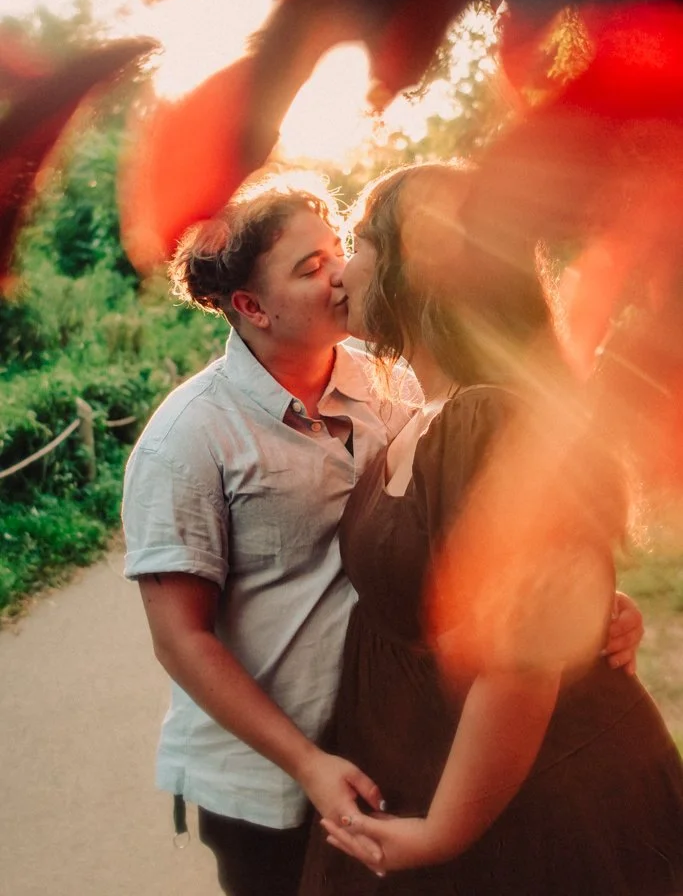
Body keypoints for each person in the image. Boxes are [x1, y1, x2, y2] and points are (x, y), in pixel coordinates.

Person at [122, 170, 643, 896]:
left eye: (340, 250)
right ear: (250, 306)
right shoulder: (188, 438)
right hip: (272, 779)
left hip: (399, 756)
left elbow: (470, 525)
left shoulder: (390, 384)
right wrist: (305, 761)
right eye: (309, 268)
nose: (337, 274)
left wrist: (583, 600)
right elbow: (180, 637)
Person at [299, 162, 683, 895]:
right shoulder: (419, 416)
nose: (339, 270)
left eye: (356, 241)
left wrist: (442, 831)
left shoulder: (486, 416)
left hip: (538, 814)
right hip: (461, 791)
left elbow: (521, 660)